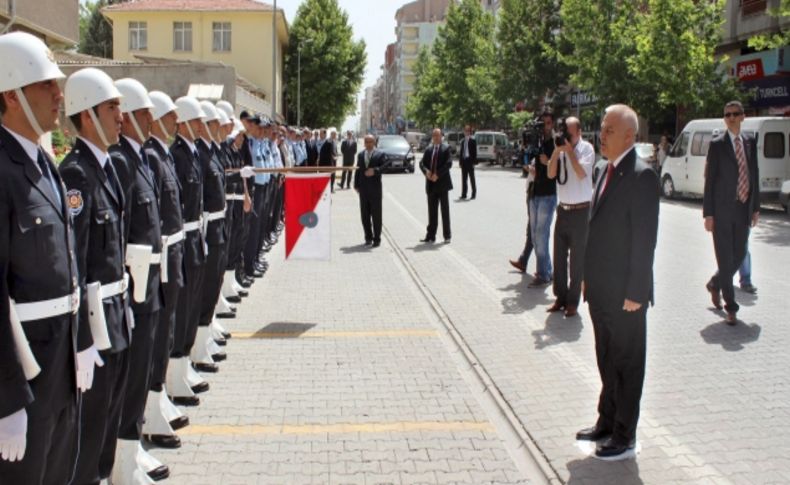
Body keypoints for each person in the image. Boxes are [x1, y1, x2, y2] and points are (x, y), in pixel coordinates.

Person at [0, 31, 89, 485]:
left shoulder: (44, 163)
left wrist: (84, 340)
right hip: (26, 372)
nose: (59, 95)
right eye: (46, 86)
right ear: (11, 96)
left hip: (59, 363)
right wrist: (7, 398)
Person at [59, 67, 130, 485]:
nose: (120, 116)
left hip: (116, 318)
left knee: (107, 425)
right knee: (87, 440)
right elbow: (77, 263)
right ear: (87, 115)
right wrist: (81, 341)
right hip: (93, 327)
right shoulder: (77, 174)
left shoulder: (105, 167)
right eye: (112, 108)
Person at [577, 104, 660, 461]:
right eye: (601, 127)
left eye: (609, 129)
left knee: (628, 364)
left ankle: (625, 434)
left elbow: (645, 240)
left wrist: (636, 292)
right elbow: (596, 231)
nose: (602, 134)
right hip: (600, 288)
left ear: (630, 135)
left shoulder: (642, 176)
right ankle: (607, 421)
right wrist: (586, 278)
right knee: (607, 359)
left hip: (626, 293)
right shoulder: (602, 170)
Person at [110, 78, 169, 483]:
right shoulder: (119, 162)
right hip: (130, 287)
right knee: (130, 376)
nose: (151, 120)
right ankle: (123, 460)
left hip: (148, 278)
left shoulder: (141, 158)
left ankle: (133, 449)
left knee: (146, 363)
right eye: (144, 113)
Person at [143, 90, 191, 449]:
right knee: (158, 337)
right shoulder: (151, 157)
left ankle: (158, 401)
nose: (175, 121)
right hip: (154, 262)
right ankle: (147, 417)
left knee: (170, 329)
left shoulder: (161, 156)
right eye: (169, 115)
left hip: (170, 254)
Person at [703, 101, 760, 324]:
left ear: (743, 117)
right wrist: (708, 213)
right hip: (721, 210)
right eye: (727, 115)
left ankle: (715, 283)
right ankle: (731, 307)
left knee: (739, 253)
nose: (731, 118)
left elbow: (754, 173)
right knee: (725, 258)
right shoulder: (717, 144)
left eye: (735, 114)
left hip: (743, 207)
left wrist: (756, 207)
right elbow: (710, 181)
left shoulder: (750, 141)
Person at [546, 117, 594, 318]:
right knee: (559, 257)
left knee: (576, 260)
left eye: (570, 131)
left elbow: (582, 173)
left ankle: (573, 302)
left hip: (581, 211)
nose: (566, 134)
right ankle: (561, 297)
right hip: (563, 210)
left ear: (579, 131)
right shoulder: (562, 149)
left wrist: (570, 152)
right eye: (564, 130)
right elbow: (550, 174)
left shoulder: (586, 149)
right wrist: (557, 152)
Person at [528, 111, 558, 288]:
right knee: (534, 236)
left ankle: (543, 274)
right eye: (542, 124)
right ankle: (548, 270)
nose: (544, 127)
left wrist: (549, 162)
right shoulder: (536, 142)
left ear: (551, 124)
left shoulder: (556, 142)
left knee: (541, 235)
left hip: (548, 194)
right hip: (534, 192)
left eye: (547, 123)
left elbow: (562, 170)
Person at [419, 128, 453, 243]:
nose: (435, 138)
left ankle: (447, 236)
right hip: (431, 185)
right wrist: (426, 172)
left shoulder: (446, 148)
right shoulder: (428, 150)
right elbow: (421, 163)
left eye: (438, 135)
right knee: (432, 212)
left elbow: (449, 163)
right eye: (434, 136)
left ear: (441, 136)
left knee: (445, 211)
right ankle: (430, 235)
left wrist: (437, 174)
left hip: (442, 184)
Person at [354, 134, 388, 247]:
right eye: (366, 142)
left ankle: (376, 239)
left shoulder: (380, 154)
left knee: (376, 215)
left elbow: (386, 166)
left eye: (370, 142)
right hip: (363, 190)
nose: (368, 144)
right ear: (364, 143)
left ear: (374, 143)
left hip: (375, 190)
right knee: (365, 215)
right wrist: (356, 184)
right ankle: (368, 237)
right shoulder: (360, 155)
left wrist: (375, 170)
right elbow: (358, 170)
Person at [459, 124, 477, 200]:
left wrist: (474, 163)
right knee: (464, 179)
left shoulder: (473, 140)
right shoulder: (462, 141)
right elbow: (461, 152)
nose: (466, 132)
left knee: (472, 178)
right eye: (465, 131)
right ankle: (464, 194)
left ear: (470, 132)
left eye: (468, 131)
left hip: (470, 161)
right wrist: (460, 162)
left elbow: (475, 152)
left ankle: (473, 194)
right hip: (464, 161)